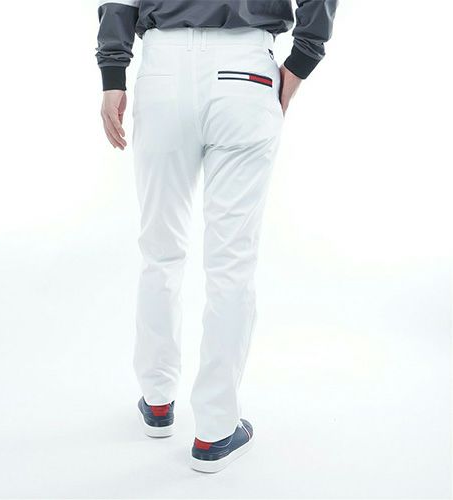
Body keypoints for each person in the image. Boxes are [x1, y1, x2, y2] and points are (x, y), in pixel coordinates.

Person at [96, 0, 338, 473]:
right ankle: (214, 428)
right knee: (231, 263)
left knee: (160, 249)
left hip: (163, 70)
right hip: (245, 73)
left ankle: (157, 399)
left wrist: (112, 76)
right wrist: (301, 63)